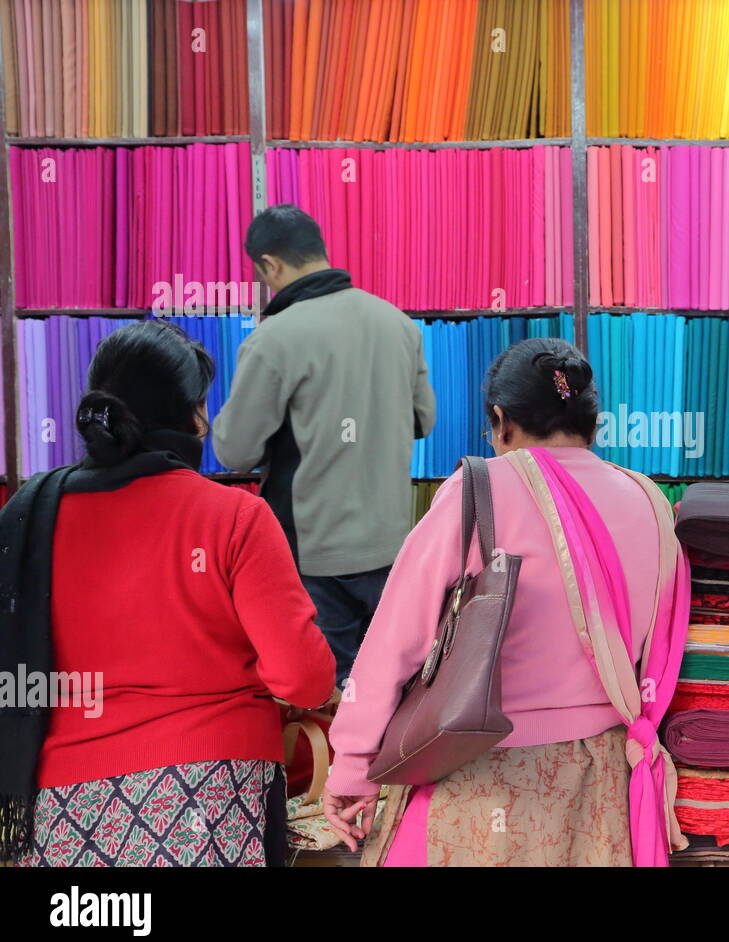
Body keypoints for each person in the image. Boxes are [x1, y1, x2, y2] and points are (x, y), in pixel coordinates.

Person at [323, 338, 690, 866]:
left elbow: (395, 643)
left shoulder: (481, 489)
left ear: (502, 421)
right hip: (603, 784)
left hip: (479, 778)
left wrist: (354, 766)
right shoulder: (649, 500)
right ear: (594, 422)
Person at [0, 320, 335, 867]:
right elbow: (304, 677)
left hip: (66, 800)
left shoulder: (31, 516)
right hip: (216, 792)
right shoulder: (235, 517)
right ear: (194, 415)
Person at [213, 204, 437, 688]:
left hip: (313, 555)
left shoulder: (274, 338)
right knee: (395, 688)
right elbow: (424, 420)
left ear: (270, 265)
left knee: (331, 699)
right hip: (389, 544)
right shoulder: (396, 323)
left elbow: (235, 452)